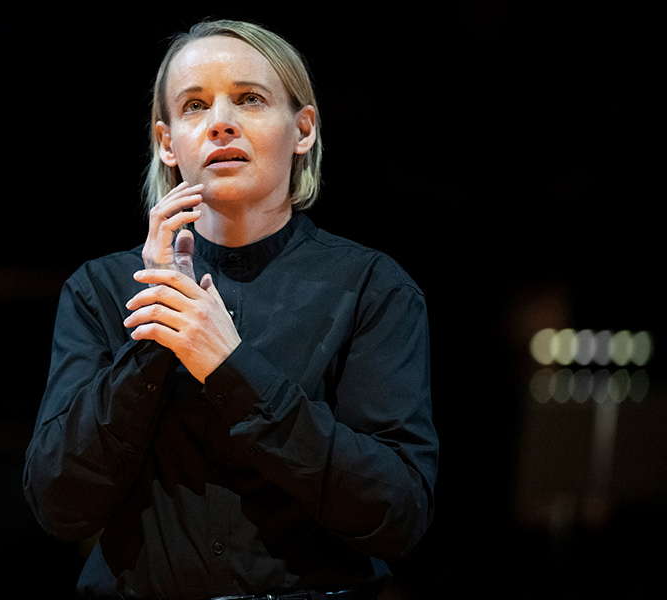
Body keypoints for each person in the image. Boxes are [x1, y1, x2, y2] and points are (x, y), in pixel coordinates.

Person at [24, 18, 438, 600]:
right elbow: (59, 504)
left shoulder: (372, 289)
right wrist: (155, 339)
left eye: (249, 99)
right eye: (194, 106)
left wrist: (231, 367)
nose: (221, 122)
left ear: (302, 129)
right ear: (168, 143)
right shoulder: (100, 289)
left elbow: (398, 514)